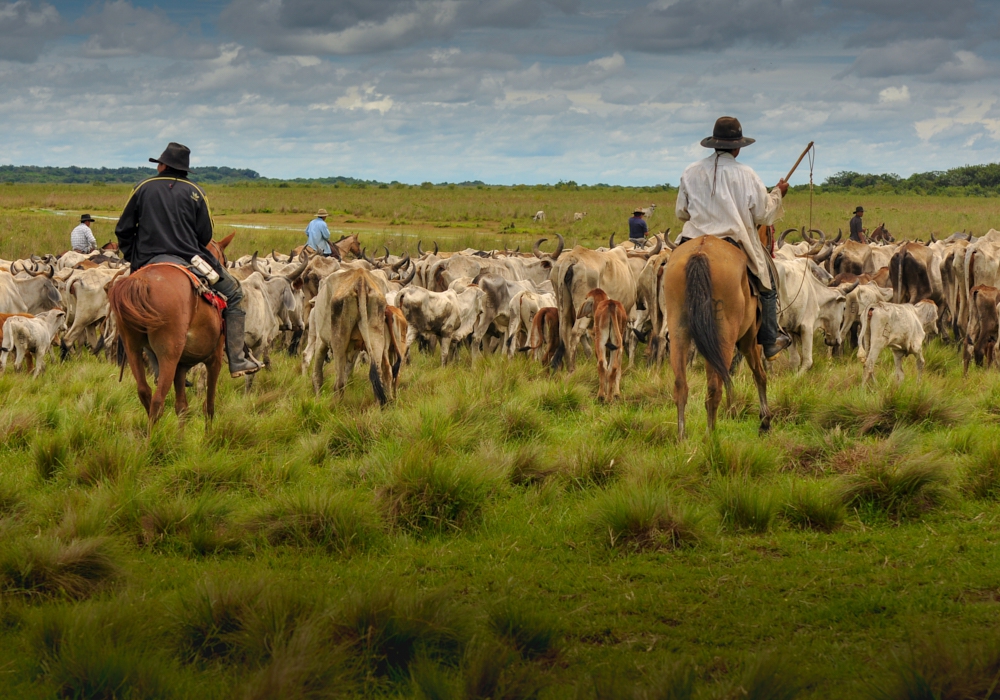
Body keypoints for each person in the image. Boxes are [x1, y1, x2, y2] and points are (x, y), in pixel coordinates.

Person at [114, 142, 261, 378]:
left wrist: (136, 258)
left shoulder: (142, 187)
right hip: (190, 259)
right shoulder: (196, 192)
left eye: (159, 163)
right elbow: (206, 236)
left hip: (147, 260)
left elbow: (123, 229)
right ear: (183, 169)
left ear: (163, 165)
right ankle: (237, 359)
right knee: (234, 294)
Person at [675, 116, 790, 360]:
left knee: (666, 270)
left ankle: (667, 327)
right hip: (733, 241)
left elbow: (681, 212)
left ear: (713, 144)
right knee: (768, 283)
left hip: (692, 239)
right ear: (738, 148)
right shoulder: (747, 174)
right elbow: (764, 214)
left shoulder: (690, 171)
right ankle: (769, 339)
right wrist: (778, 194)